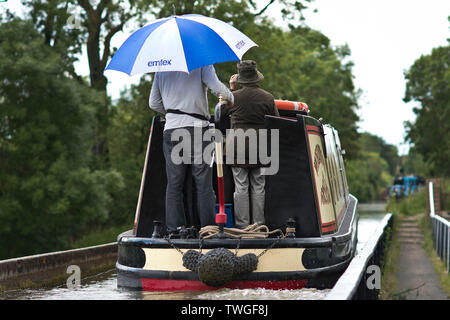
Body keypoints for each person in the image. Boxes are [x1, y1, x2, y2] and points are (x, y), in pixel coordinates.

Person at [149, 65, 234, 235]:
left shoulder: (161, 68)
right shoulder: (202, 62)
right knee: (203, 182)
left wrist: (174, 114)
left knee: (174, 183)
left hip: (172, 129)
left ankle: (175, 229)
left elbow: (153, 103)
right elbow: (217, 88)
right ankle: (207, 229)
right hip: (197, 129)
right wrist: (231, 97)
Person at [222, 60, 279, 229]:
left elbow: (220, 113)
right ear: (256, 77)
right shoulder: (267, 97)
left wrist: (231, 89)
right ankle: (259, 225)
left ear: (240, 78)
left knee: (240, 187)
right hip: (259, 146)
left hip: (237, 147)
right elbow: (274, 121)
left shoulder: (233, 97)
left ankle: (242, 227)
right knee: (259, 186)